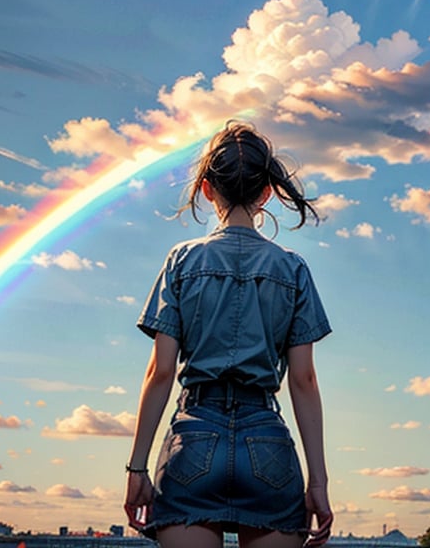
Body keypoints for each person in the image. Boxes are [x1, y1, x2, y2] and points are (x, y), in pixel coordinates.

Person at [124, 120, 333, 548]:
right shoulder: (293, 269)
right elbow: (304, 380)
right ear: (267, 192)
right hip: (268, 445)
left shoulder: (181, 261)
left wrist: (137, 469)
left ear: (206, 189)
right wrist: (318, 482)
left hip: (193, 441)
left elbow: (161, 373)